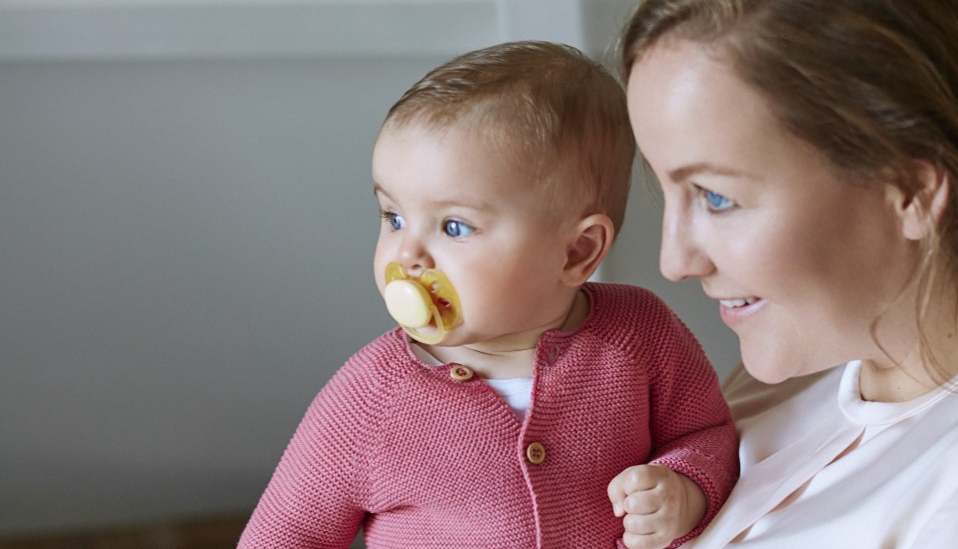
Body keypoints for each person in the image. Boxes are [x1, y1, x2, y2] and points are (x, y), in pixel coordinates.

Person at [237, 41, 738, 549]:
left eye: (454, 226)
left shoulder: (639, 335)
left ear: (576, 252)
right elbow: (285, 534)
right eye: (394, 217)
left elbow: (709, 435)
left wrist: (686, 489)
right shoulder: (368, 399)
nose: (407, 254)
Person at [618, 0, 958, 546]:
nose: (675, 262)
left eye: (717, 197)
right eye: (666, 188)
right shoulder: (775, 386)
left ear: (909, 191)